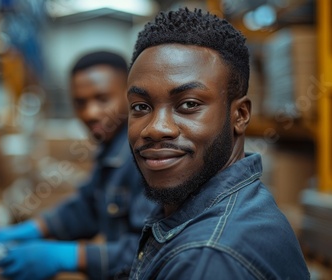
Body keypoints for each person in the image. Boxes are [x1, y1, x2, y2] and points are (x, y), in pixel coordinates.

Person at [124, 8, 310, 279]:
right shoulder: (226, 206)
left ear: (240, 115)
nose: (156, 128)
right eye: (141, 106)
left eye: (188, 104)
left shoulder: (206, 259)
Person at [0, 51, 155, 280]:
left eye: (102, 99)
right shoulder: (110, 150)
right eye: (80, 103)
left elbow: (150, 253)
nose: (90, 113)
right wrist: (35, 229)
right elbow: (88, 206)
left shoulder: (146, 158)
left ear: (130, 96)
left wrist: (73, 256)